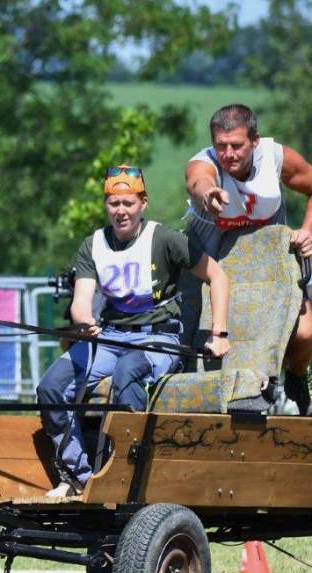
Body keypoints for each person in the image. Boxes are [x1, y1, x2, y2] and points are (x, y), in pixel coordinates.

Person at [37, 166, 231, 497]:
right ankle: (77, 477)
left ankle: (130, 477)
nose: (121, 211)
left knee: (128, 372)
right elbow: (81, 301)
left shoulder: (165, 239)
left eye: (128, 203)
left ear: (143, 203)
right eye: (114, 204)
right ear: (106, 205)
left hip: (158, 338)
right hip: (109, 338)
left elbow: (218, 277)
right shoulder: (93, 244)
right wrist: (84, 320)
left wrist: (219, 333)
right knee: (51, 387)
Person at [184, 103, 312, 413]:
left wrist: (308, 231)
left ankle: (294, 377)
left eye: (236, 145)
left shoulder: (276, 158)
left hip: (268, 257)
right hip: (212, 261)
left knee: (306, 333)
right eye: (220, 145)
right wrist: (207, 193)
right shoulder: (205, 164)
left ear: (254, 140)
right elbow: (197, 180)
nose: (228, 153)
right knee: (192, 334)